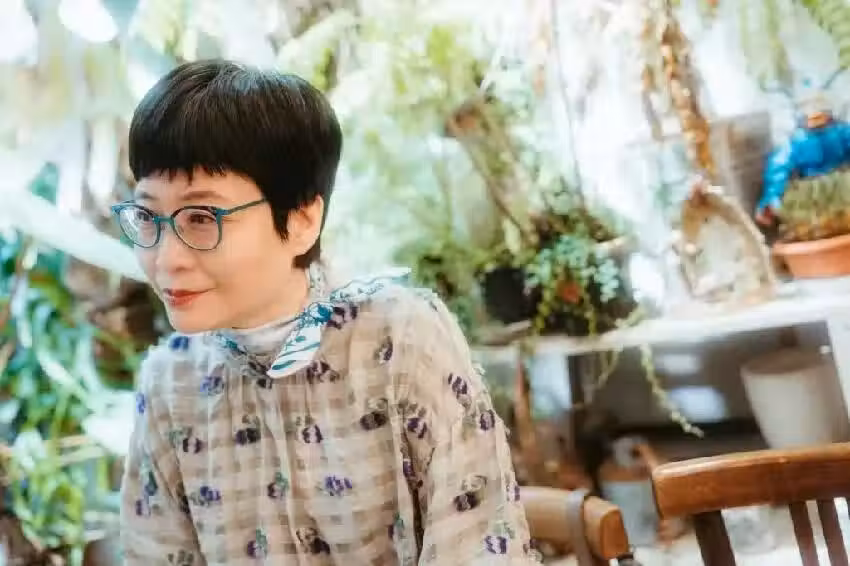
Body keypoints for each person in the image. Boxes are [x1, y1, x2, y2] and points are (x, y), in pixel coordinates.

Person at [116, 59, 539, 565]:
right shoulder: (169, 383)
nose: (166, 258)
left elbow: (479, 549)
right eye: (148, 216)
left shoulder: (401, 341)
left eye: (202, 217)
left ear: (301, 220)